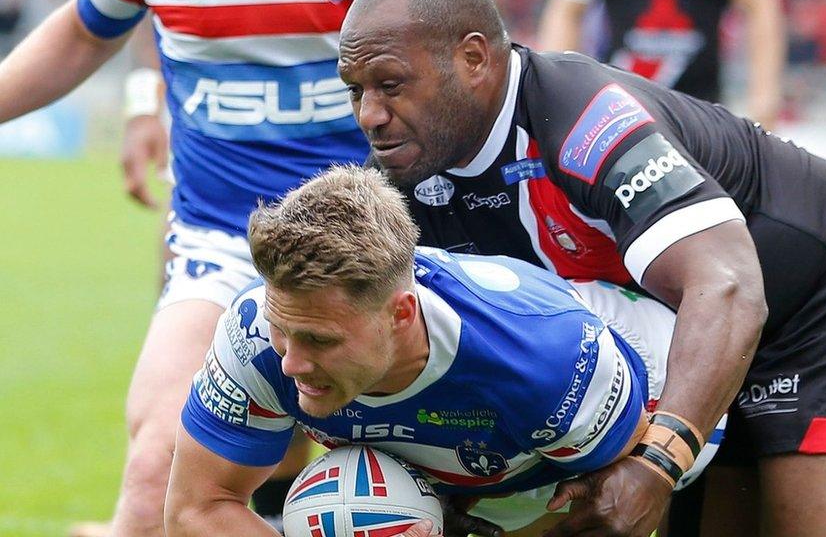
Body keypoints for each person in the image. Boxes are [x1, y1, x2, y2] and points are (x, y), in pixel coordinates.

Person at [336, 0, 826, 535]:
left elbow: (725, 284)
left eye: (390, 85)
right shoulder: (404, 180)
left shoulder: (582, 120)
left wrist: (658, 461)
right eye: (354, 90)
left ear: (473, 58)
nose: (370, 115)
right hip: (691, 332)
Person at [0, 0, 481, 535]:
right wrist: (140, 102)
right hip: (222, 240)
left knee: (474, 471)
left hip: (378, 244)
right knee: (161, 471)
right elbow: (87, 29)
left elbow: (467, 43)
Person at [163, 165, 725, 537]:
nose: (291, 363)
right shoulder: (256, 335)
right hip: (477, 448)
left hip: (649, 394)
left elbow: (611, 510)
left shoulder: (542, 363)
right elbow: (196, 507)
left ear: (401, 314)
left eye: (320, 340)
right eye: (284, 329)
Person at [536, 0, 784, 128]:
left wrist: (764, 101)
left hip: (703, 111)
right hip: (620, 109)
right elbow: (565, 13)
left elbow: (760, 6)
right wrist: (554, 104)